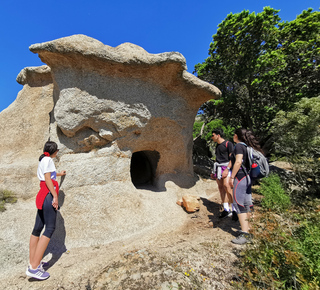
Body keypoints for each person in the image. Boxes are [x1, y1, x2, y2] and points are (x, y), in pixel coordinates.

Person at [26, 141, 66, 280]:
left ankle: (32, 262)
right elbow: (48, 179)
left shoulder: (43, 159)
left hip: (41, 195)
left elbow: (48, 175)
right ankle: (35, 268)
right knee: (50, 228)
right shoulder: (49, 160)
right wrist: (55, 196)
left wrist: (60, 173)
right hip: (48, 195)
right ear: (54, 151)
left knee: (37, 228)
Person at [222, 128, 264, 245]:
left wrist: (232, 177)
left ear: (236, 136)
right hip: (247, 177)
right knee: (246, 204)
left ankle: (244, 233)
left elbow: (238, 162)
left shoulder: (239, 146)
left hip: (240, 178)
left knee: (239, 204)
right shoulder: (246, 147)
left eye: (234, 135)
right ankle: (250, 229)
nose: (233, 136)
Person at [211, 129, 237, 220]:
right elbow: (217, 158)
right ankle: (226, 209)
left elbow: (232, 158)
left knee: (227, 186)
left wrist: (227, 169)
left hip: (226, 167)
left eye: (213, 135)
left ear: (218, 135)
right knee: (221, 188)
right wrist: (213, 172)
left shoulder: (228, 144)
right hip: (218, 168)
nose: (212, 137)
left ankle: (235, 210)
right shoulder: (217, 145)